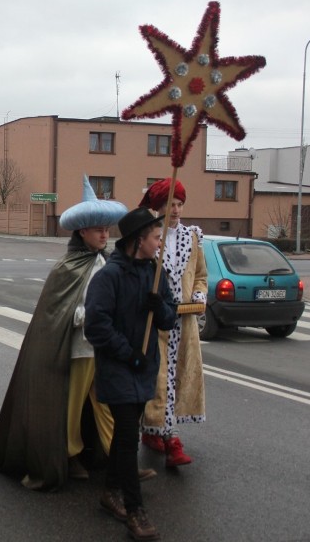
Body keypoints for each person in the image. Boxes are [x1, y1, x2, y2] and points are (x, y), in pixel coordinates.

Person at [0, 176, 129, 490]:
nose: (105, 234)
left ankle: (121, 459)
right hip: (79, 349)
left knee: (107, 405)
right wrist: (92, 315)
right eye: (98, 230)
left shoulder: (105, 262)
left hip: (102, 350)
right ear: (82, 232)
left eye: (107, 229)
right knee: (73, 405)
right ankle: (68, 454)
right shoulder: (68, 267)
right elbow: (64, 312)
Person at [85, 207, 177, 541]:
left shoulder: (155, 273)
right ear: (139, 240)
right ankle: (135, 511)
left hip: (144, 368)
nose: (159, 244)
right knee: (126, 438)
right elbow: (96, 326)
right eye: (155, 237)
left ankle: (110, 492)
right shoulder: (109, 277)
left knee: (127, 438)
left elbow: (169, 319)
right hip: (118, 367)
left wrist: (160, 307)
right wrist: (128, 354)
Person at [139, 179, 207, 467]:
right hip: (155, 322)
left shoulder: (192, 237)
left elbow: (201, 275)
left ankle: (161, 432)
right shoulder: (149, 237)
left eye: (179, 204)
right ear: (158, 207)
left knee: (178, 377)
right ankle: (170, 439)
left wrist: (199, 295)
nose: (176, 210)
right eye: (170, 205)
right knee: (157, 378)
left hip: (185, 322)